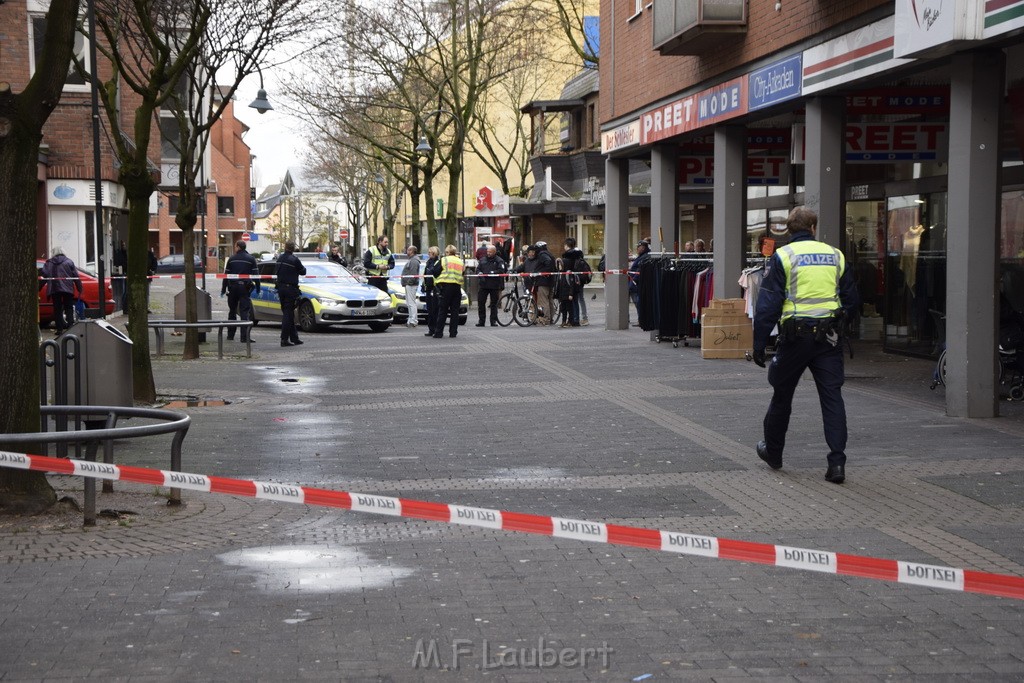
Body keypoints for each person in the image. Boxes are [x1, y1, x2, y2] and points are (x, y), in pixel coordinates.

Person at [751, 206, 858, 484]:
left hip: (795, 338)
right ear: (813, 228)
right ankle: (837, 463)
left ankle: (773, 453)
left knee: (782, 394)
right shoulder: (835, 255)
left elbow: (768, 305)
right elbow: (851, 299)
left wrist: (759, 344)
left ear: (788, 229)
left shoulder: (783, 256)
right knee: (832, 398)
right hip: (829, 339)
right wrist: (840, 322)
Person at [221, 240, 260, 343]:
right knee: (244, 312)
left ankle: (230, 335)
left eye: (235, 246)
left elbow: (226, 276)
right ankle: (244, 337)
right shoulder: (251, 259)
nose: (234, 248)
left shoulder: (232, 259)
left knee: (232, 311)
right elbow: (256, 275)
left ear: (238, 247)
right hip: (244, 288)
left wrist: (223, 289)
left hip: (233, 288)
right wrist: (258, 287)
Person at [41, 247, 83, 335]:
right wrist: (79, 287)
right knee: (69, 308)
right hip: (67, 289)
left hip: (54, 289)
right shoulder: (69, 262)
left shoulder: (49, 263)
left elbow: (45, 276)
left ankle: (59, 329)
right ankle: (70, 327)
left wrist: (39, 287)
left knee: (57, 309)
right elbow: (75, 276)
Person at [276, 240, 307, 347]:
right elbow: (303, 271)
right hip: (290, 289)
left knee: (288, 313)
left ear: (285, 247)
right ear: (293, 248)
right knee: (288, 314)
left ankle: (294, 338)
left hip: (280, 288)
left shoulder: (280, 258)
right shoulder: (294, 260)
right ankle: (284, 339)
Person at [432, 244, 464, 339]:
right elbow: (463, 273)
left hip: (445, 287)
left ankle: (439, 333)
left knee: (443, 311)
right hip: (457, 288)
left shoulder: (444, 260)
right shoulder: (460, 261)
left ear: (447, 252)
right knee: (455, 312)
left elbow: (435, 271)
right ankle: (453, 332)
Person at [475, 243, 507, 326]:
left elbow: (501, 271)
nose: (488, 253)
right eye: (487, 251)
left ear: (494, 252)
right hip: (483, 285)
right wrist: (479, 273)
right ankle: (481, 321)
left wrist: (491, 273)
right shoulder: (482, 260)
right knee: (481, 303)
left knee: (494, 304)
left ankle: (493, 321)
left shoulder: (499, 260)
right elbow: (477, 269)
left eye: (490, 252)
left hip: (494, 285)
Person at [628, 239, 652, 326]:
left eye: (639, 247)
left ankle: (641, 320)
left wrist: (634, 280)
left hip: (637, 283)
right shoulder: (642, 256)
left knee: (638, 302)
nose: (637, 249)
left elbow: (639, 269)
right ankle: (641, 319)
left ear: (643, 247)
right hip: (636, 282)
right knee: (637, 302)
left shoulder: (644, 257)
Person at [534, 241, 556, 326]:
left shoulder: (542, 255)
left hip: (543, 281)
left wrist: (541, 272)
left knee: (544, 301)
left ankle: (546, 318)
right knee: (549, 300)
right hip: (550, 281)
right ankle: (550, 318)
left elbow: (548, 263)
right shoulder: (549, 254)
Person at [401, 245, 422, 327]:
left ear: (412, 251)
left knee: (411, 303)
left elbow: (413, 274)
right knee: (409, 303)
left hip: (411, 285)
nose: (407, 251)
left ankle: (413, 320)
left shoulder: (413, 261)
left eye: (409, 250)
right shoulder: (412, 260)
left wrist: (408, 282)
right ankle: (410, 320)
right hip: (409, 284)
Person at [423, 246, 441, 337]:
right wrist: (424, 285)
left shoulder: (438, 262)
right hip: (429, 288)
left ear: (434, 253)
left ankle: (436, 329)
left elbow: (435, 274)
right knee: (429, 310)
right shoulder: (428, 262)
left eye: (430, 252)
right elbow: (425, 274)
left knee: (435, 310)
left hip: (435, 288)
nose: (428, 254)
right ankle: (431, 329)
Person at [112, 239, 128, 311]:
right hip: (121, 274)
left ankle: (122, 307)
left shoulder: (121, 254)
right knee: (122, 292)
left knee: (123, 292)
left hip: (122, 274)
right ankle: (122, 307)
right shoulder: (120, 254)